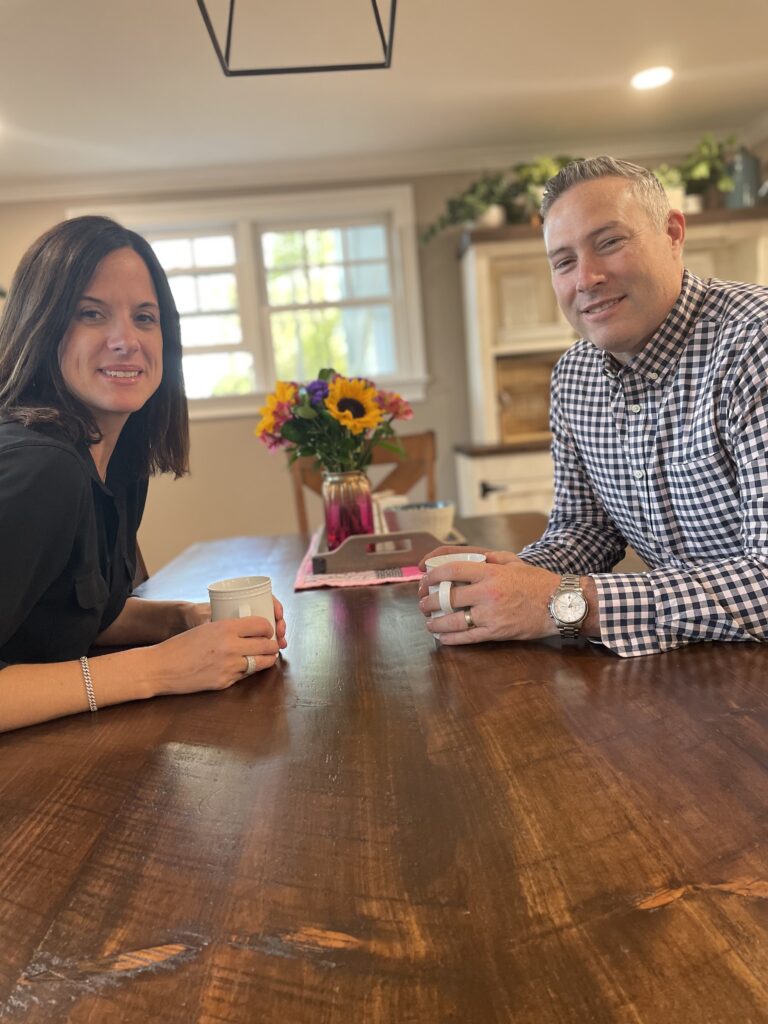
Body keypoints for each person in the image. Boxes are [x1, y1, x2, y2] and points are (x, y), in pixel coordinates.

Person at [420, 156, 768, 657]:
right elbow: (587, 528)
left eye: (609, 243)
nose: (586, 278)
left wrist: (560, 603)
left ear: (672, 233)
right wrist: (508, 580)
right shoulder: (574, 376)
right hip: (699, 670)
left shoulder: (754, 344)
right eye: (563, 261)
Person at [0, 215, 287, 732]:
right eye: (91, 313)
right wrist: (158, 669)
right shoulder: (40, 471)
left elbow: (64, 613)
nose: (126, 339)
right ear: (40, 327)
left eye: (146, 317)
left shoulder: (120, 463)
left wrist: (182, 620)